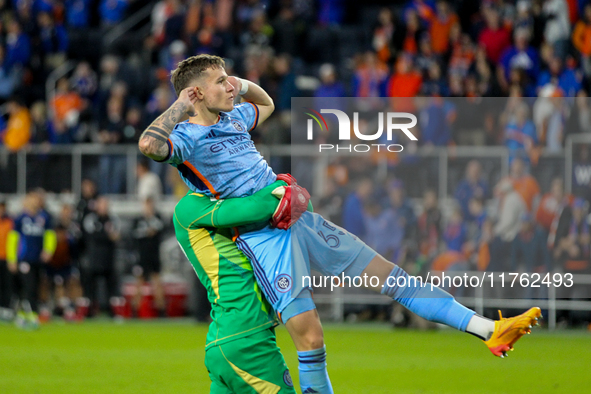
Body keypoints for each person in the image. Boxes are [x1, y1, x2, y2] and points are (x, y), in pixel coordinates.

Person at [138, 55, 541, 390]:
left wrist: (238, 84)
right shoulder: (188, 136)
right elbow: (149, 145)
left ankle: (489, 330)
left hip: (298, 218)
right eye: (221, 81)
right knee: (311, 336)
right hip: (263, 238)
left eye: (229, 80)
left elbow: (268, 104)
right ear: (196, 93)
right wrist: (182, 105)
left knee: (391, 276)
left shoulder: (234, 117)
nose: (230, 87)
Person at [173, 180, 298, 393]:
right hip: (246, 338)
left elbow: (300, 210)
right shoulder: (190, 207)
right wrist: (283, 187)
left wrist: (290, 194)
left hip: (227, 337)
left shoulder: (224, 200)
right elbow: (257, 207)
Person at [6, 191, 56, 329]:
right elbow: (13, 239)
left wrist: (48, 250)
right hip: (24, 259)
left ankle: (23, 315)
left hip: (38, 260)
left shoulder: (44, 217)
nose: (34, 202)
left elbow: (50, 235)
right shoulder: (20, 218)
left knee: (36, 286)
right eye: (31, 199)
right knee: (29, 286)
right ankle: (32, 315)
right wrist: (12, 258)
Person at [82, 196, 121, 317]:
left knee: (110, 286)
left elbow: (116, 236)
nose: (104, 207)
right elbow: (91, 236)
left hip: (108, 257)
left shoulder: (113, 219)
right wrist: (107, 236)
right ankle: (90, 310)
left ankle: (110, 310)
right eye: (101, 204)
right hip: (94, 257)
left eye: (105, 204)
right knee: (91, 286)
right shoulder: (91, 219)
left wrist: (104, 236)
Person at [131, 197, 165, 317]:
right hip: (142, 256)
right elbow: (133, 235)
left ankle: (161, 310)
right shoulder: (138, 220)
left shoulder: (158, 219)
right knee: (139, 283)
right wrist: (147, 232)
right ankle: (135, 310)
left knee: (157, 282)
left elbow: (162, 230)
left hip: (154, 255)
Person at [0, 200, 14, 321]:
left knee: (6, 285)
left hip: (6, 258)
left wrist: (13, 258)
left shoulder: (10, 222)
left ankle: (5, 309)